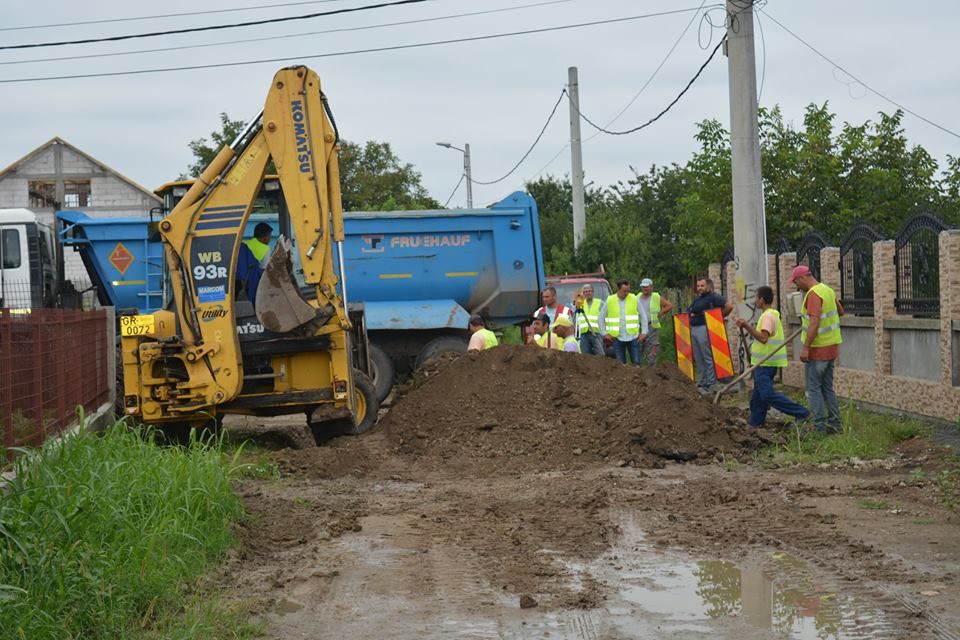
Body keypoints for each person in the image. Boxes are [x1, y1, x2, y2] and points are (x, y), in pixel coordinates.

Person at [735, 286, 810, 428]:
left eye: (756, 298)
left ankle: (801, 412)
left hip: (765, 364)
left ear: (762, 299)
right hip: (763, 363)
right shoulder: (771, 315)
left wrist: (746, 326)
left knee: (767, 395)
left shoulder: (768, 317)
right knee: (757, 398)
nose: (755, 301)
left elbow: (764, 338)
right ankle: (755, 425)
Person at [789, 265, 844, 434]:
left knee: (813, 389)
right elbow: (840, 311)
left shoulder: (813, 294)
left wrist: (805, 348)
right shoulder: (827, 290)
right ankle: (836, 424)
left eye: (796, 283)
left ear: (802, 278)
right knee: (827, 388)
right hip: (832, 347)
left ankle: (819, 427)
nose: (797, 287)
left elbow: (814, 322)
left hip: (817, 350)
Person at [687, 277, 733, 393]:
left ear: (708, 286)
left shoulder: (714, 297)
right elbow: (689, 310)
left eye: (702, 286)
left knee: (707, 356)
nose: (699, 288)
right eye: (698, 286)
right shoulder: (698, 299)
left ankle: (711, 383)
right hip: (694, 329)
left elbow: (729, 307)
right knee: (699, 358)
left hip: (704, 328)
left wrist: (718, 319)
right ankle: (703, 382)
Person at [599, 280, 646, 365]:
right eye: (624, 291)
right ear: (618, 289)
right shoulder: (610, 300)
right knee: (620, 364)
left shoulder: (634, 298)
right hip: (617, 337)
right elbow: (601, 317)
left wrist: (644, 332)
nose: (627, 293)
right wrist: (604, 333)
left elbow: (643, 316)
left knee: (636, 362)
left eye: (628, 291)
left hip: (633, 336)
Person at [637, 277, 673, 366]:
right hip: (639, 327)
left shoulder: (656, 296)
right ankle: (639, 370)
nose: (644, 289)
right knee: (638, 350)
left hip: (652, 326)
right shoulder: (636, 297)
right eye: (643, 287)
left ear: (651, 287)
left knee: (652, 350)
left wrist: (660, 313)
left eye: (646, 287)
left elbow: (669, 305)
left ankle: (652, 370)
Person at [575, 284, 604, 356]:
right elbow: (575, 317)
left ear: (593, 292)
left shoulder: (600, 303)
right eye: (585, 292)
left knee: (600, 354)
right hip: (583, 333)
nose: (588, 293)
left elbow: (605, 317)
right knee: (585, 355)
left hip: (596, 332)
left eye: (589, 291)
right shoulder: (580, 304)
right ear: (583, 293)